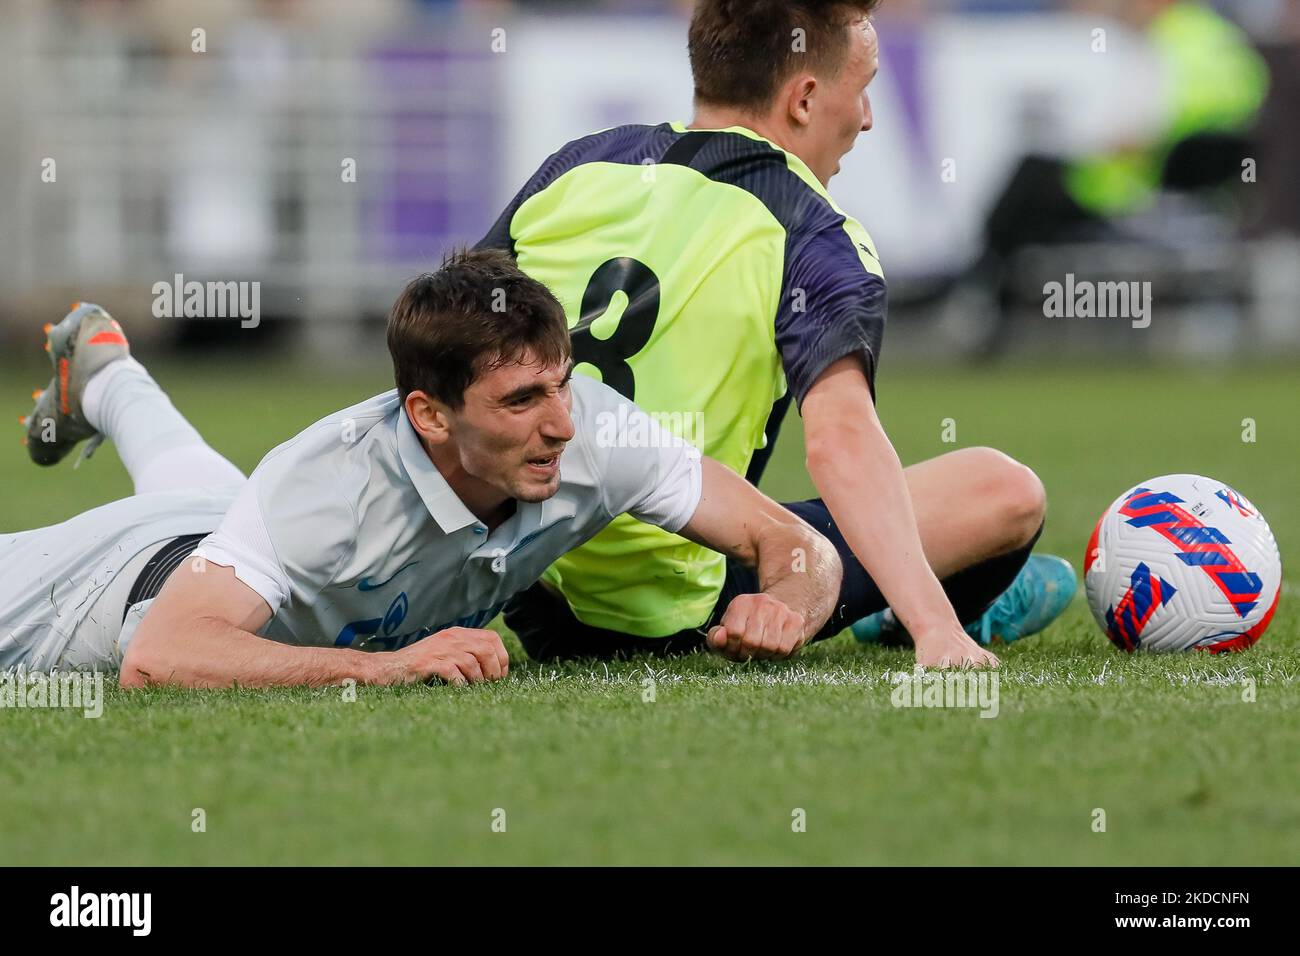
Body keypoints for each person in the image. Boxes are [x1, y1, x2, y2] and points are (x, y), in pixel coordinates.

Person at [477, 0, 1076, 670]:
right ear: (806, 98)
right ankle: (915, 613)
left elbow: (447, 346)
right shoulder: (810, 229)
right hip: (684, 609)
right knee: (1005, 491)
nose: (869, 117)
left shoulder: (576, 166)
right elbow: (841, 440)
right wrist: (939, 631)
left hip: (529, 589)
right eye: (864, 87)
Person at [6, 249, 841, 687]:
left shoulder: (591, 430)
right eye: (520, 401)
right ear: (430, 415)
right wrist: (390, 668)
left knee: (211, 500)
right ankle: (114, 379)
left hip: (228, 538)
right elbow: (160, 654)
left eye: (560, 383)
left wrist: (787, 606)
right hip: (110, 589)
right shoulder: (328, 489)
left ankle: (108, 373)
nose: (558, 425)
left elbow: (797, 545)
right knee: (211, 517)